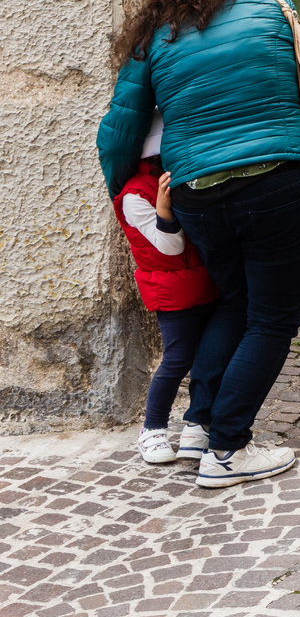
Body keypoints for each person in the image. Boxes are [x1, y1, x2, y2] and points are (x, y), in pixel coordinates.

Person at [98, 0, 300, 488]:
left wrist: (123, 192)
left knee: (235, 301)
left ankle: (198, 425)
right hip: (276, 179)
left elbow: (119, 129)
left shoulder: (156, 35)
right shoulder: (273, 7)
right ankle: (225, 451)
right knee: (270, 318)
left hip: (196, 190)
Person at [113, 114, 219, 465]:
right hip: (171, 289)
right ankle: (152, 429)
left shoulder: (182, 176)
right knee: (177, 359)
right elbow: (168, 248)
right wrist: (164, 210)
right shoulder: (134, 195)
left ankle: (197, 424)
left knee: (209, 356)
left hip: (204, 280)